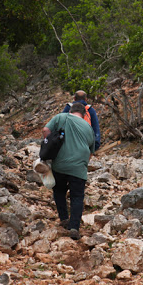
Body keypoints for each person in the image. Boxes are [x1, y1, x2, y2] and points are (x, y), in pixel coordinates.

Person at [43, 102, 95, 240]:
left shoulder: (61, 117)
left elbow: (45, 130)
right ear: (84, 115)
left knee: (59, 191)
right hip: (79, 168)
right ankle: (74, 227)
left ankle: (64, 218)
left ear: (70, 110)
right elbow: (91, 151)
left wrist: (49, 145)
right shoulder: (88, 128)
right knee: (77, 196)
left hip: (59, 165)